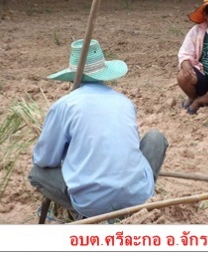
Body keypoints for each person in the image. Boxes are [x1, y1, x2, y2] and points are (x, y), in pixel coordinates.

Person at [28, 39, 169, 218]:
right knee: (156, 138)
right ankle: (137, 202)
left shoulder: (64, 105)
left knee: (37, 173)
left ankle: (84, 214)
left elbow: (45, 160)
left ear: (72, 77)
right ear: (103, 75)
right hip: (137, 196)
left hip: (91, 203)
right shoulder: (125, 102)